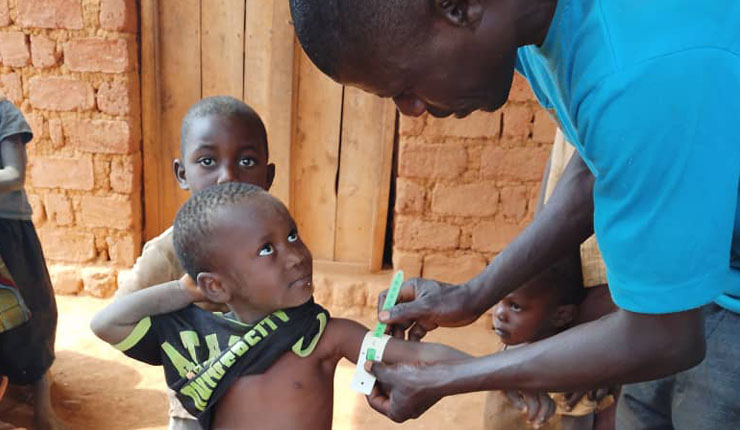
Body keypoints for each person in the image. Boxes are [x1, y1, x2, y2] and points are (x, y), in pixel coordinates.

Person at [288, 0, 740, 428]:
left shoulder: (642, 73)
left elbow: (663, 336)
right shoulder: (530, 25)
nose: (412, 111)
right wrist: (471, 296)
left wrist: (450, 377)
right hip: (697, 288)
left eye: (405, 87)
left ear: (458, 7)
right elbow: (597, 166)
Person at [91, 182, 471, 430]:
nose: (295, 256)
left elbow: (416, 356)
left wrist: (487, 371)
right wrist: (186, 290)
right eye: (267, 250)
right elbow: (106, 323)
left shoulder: (324, 336)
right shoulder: (204, 340)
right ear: (216, 285)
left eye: (292, 235)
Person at [115, 95, 275, 429]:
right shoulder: (169, 252)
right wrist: (180, 310)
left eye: (247, 161)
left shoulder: (279, 245)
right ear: (182, 173)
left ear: (268, 176)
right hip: (194, 412)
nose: (227, 176)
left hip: (264, 402)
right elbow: (120, 314)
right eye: (207, 161)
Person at [484, 255, 615, 430]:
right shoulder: (508, 348)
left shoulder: (569, 377)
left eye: (515, 306)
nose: (499, 313)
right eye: (497, 300)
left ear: (561, 315)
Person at [0, 99, 66, 430]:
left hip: (7, 229)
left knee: (34, 314)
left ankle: (43, 407)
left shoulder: (3, 113)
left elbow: (14, 175)